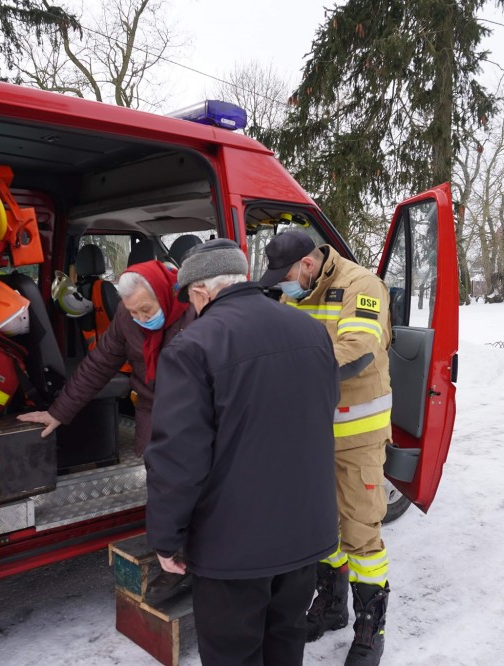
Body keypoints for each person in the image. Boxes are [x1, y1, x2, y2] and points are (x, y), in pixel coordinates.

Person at [144, 239, 340, 666]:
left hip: (233, 550)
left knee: (233, 655)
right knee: (286, 643)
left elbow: (179, 458)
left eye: (191, 300)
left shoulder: (193, 347)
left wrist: (165, 537)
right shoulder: (311, 331)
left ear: (200, 292)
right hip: (304, 535)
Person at [257, 228, 393, 666]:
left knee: (360, 532)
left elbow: (357, 351)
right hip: (310, 434)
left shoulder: (361, 287)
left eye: (287, 275)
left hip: (357, 436)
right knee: (321, 527)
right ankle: (332, 605)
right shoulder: (294, 293)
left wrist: (288, 371)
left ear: (309, 264)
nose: (283, 285)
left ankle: (371, 628)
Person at [17, 260, 195, 456]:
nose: (141, 319)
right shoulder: (126, 319)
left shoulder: (198, 314)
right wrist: (57, 412)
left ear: (164, 296)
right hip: (152, 410)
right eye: (133, 311)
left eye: (146, 309)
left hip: (194, 410)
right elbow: (99, 364)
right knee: (157, 473)